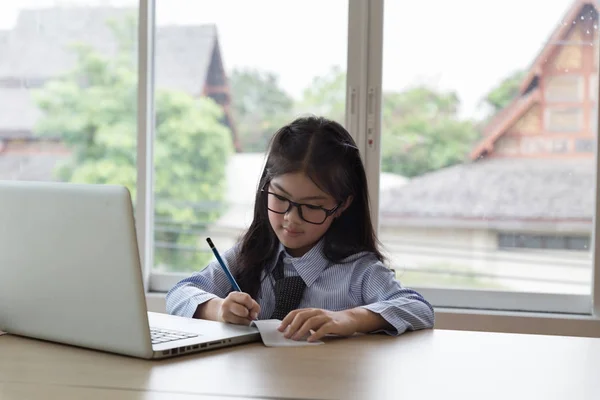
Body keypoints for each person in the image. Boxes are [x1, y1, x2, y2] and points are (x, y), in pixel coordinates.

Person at [166, 116, 434, 342]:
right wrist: (219, 309)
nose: (291, 219)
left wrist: (350, 318)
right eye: (280, 199)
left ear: (341, 206)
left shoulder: (358, 272)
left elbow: (418, 309)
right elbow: (179, 294)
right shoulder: (248, 256)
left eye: (312, 207)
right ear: (266, 187)